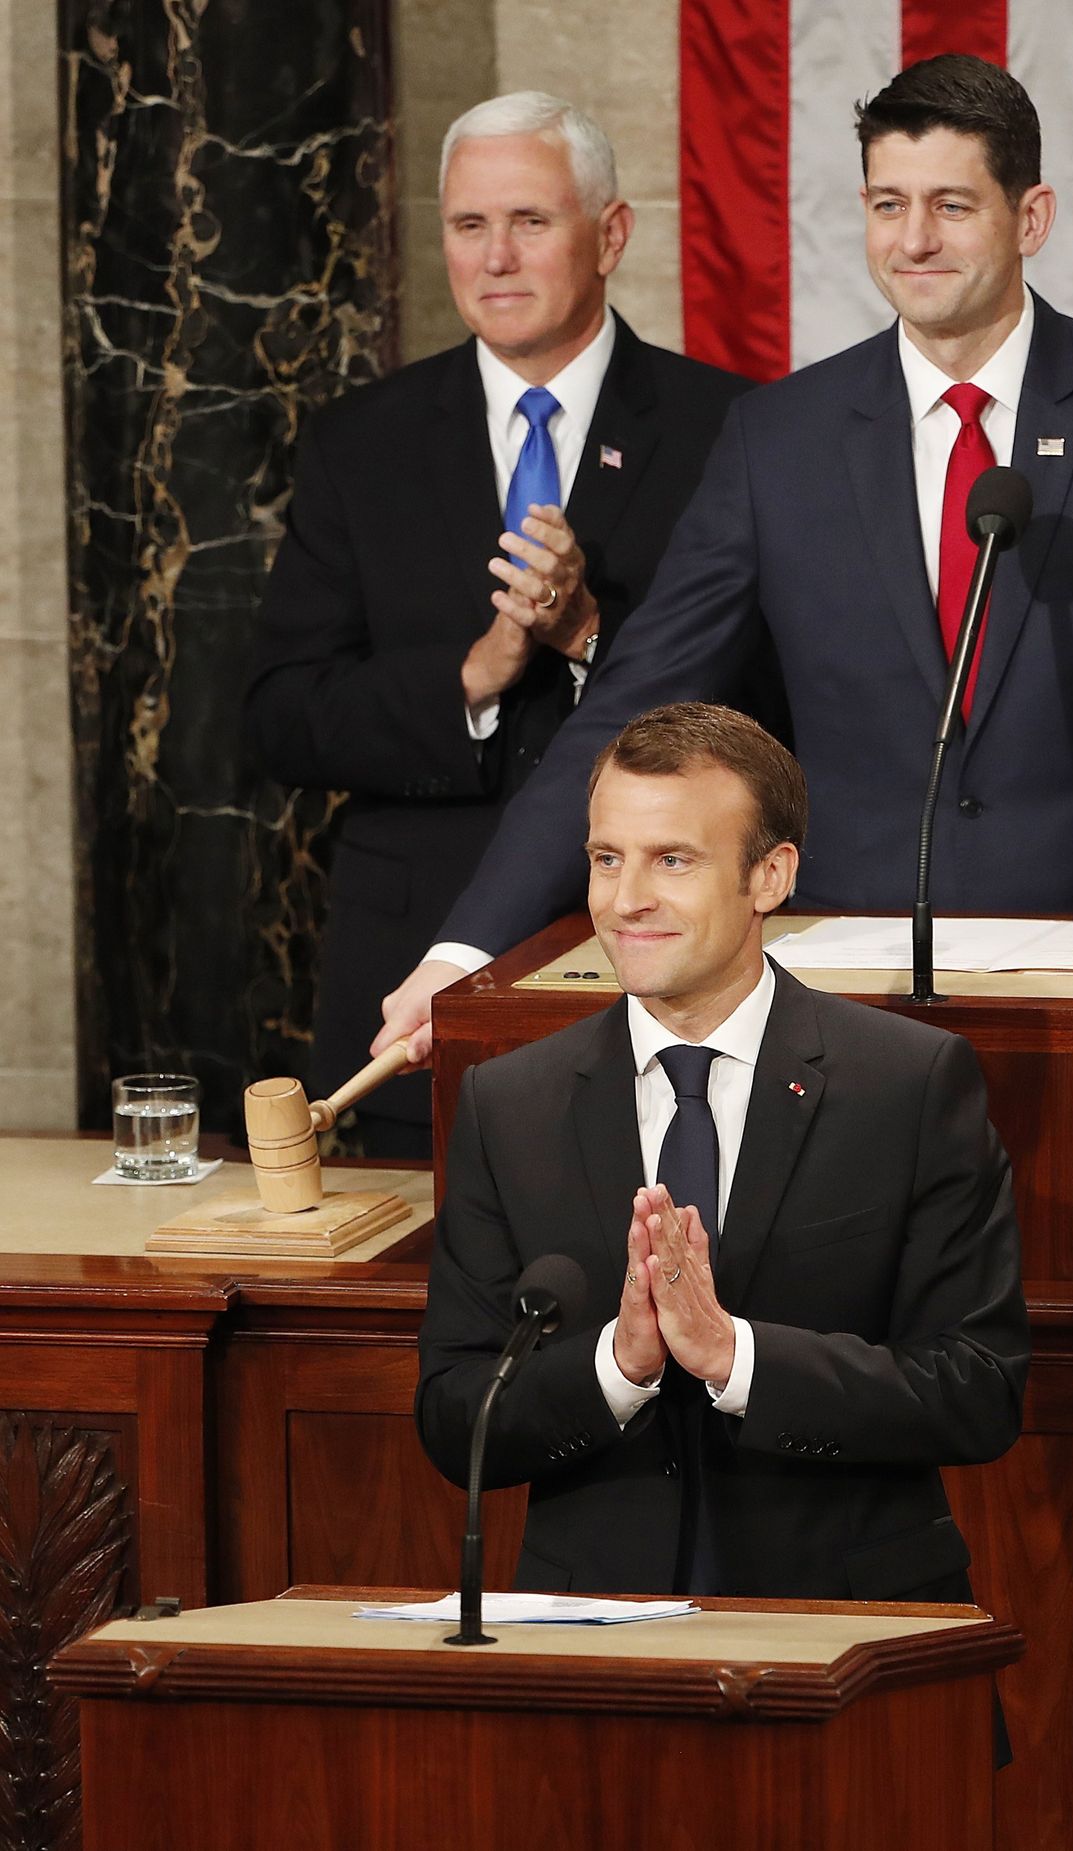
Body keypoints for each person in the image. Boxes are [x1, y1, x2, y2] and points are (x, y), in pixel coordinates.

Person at [375, 54, 1073, 1070]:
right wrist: (465, 951)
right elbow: (630, 707)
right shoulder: (779, 441)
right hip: (848, 984)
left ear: (1030, 217)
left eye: (951, 205)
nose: (913, 240)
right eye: (888, 204)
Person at [415, 703, 1028, 1602]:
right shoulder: (511, 1104)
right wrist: (617, 1365)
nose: (626, 899)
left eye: (673, 860)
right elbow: (453, 1410)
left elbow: (977, 1387)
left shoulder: (908, 1083)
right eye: (606, 858)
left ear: (769, 875)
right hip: (599, 1634)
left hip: (842, 1624)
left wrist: (736, 1355)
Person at [244, 92, 761, 1155]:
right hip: (421, 990)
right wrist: (470, 678)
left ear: (610, 235)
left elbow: (776, 707)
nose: (495, 258)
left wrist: (587, 636)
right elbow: (280, 717)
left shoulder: (734, 429)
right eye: (468, 225)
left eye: (530, 221)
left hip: (657, 979)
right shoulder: (361, 442)